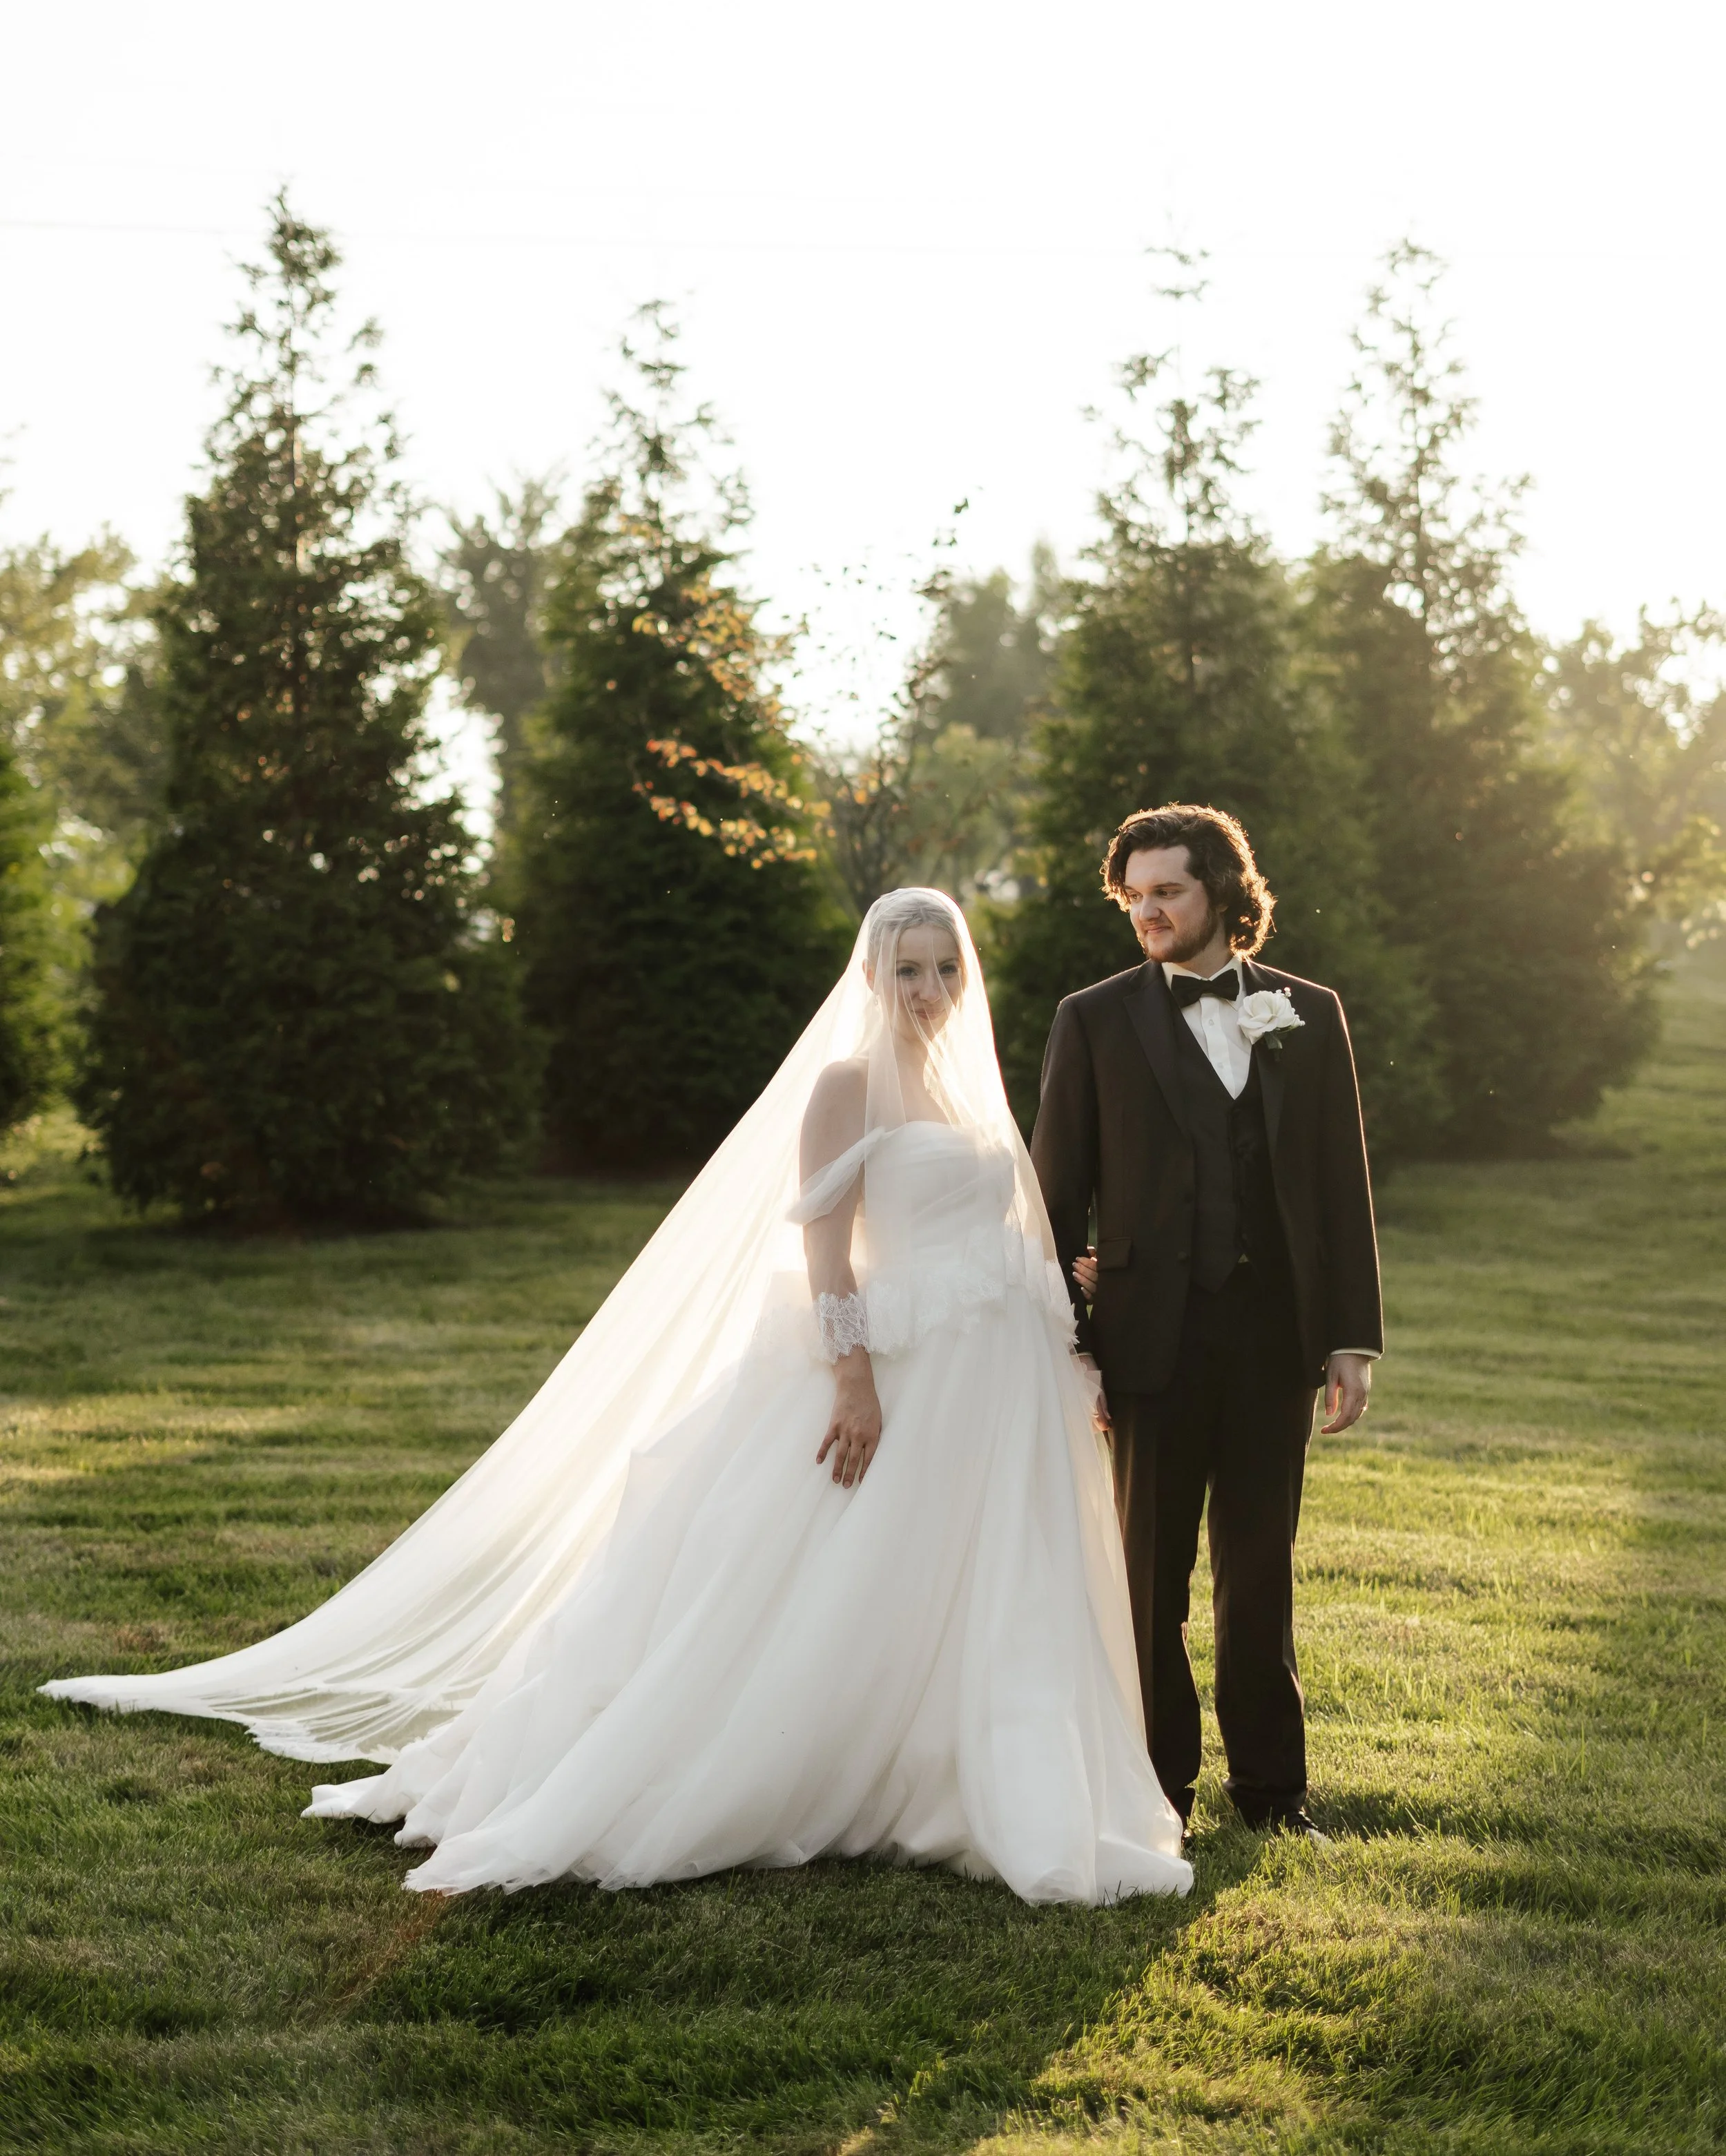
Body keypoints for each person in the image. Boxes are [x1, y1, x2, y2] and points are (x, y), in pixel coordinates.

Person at [45, 891, 1191, 1907]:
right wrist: (853, 1377)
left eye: (946, 968)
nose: (931, 990)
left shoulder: (966, 1085)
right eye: (909, 970)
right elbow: (828, 1248)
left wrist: (1064, 1345)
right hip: (894, 1369)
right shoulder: (847, 1086)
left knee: (985, 1577)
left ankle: (966, 1769)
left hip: (992, 1379)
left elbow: (1001, 1226)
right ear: (872, 976)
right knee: (845, 1575)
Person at [1032, 805, 1381, 1840]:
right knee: (1148, 1584)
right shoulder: (1091, 1019)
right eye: (1133, 896)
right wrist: (1069, 1337)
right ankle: (1157, 1799)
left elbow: (1338, 1185)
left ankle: (1275, 1798)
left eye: (1168, 892)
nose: (1147, 911)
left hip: (1275, 1339)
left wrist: (1351, 1339)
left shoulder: (1306, 1011)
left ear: (1225, 894)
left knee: (1260, 1574)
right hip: (1148, 1340)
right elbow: (1054, 1197)